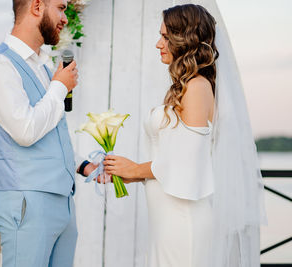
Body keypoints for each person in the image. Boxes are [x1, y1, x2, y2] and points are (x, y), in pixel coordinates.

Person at [103, 4, 265, 267]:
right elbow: (168, 157)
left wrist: (135, 170)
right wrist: (130, 175)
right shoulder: (181, 88)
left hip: (183, 220)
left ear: (185, 39)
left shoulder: (198, 87)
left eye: (165, 37)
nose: (158, 44)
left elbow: (186, 163)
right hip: (166, 218)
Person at [0, 0, 96, 266]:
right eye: (62, 8)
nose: (65, 18)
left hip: (62, 203)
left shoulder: (42, 65)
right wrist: (59, 87)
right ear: (37, 6)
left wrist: (83, 165)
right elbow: (26, 130)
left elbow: (50, 132)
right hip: (27, 205)